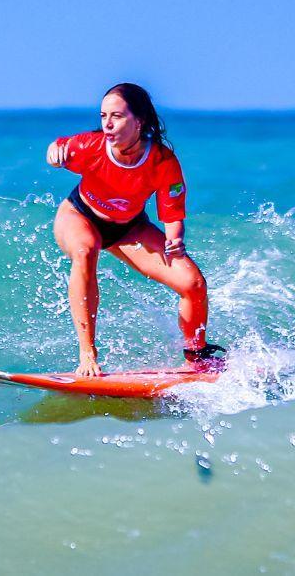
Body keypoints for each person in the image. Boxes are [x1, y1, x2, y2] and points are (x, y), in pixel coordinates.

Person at [47, 82, 224, 377]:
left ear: (139, 121)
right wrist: (54, 153)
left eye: (116, 116)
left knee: (192, 284)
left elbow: (172, 213)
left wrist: (175, 240)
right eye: (103, 116)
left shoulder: (162, 161)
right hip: (80, 216)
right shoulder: (91, 146)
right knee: (86, 250)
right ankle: (87, 354)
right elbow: (59, 147)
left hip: (130, 227)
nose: (107, 124)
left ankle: (196, 357)